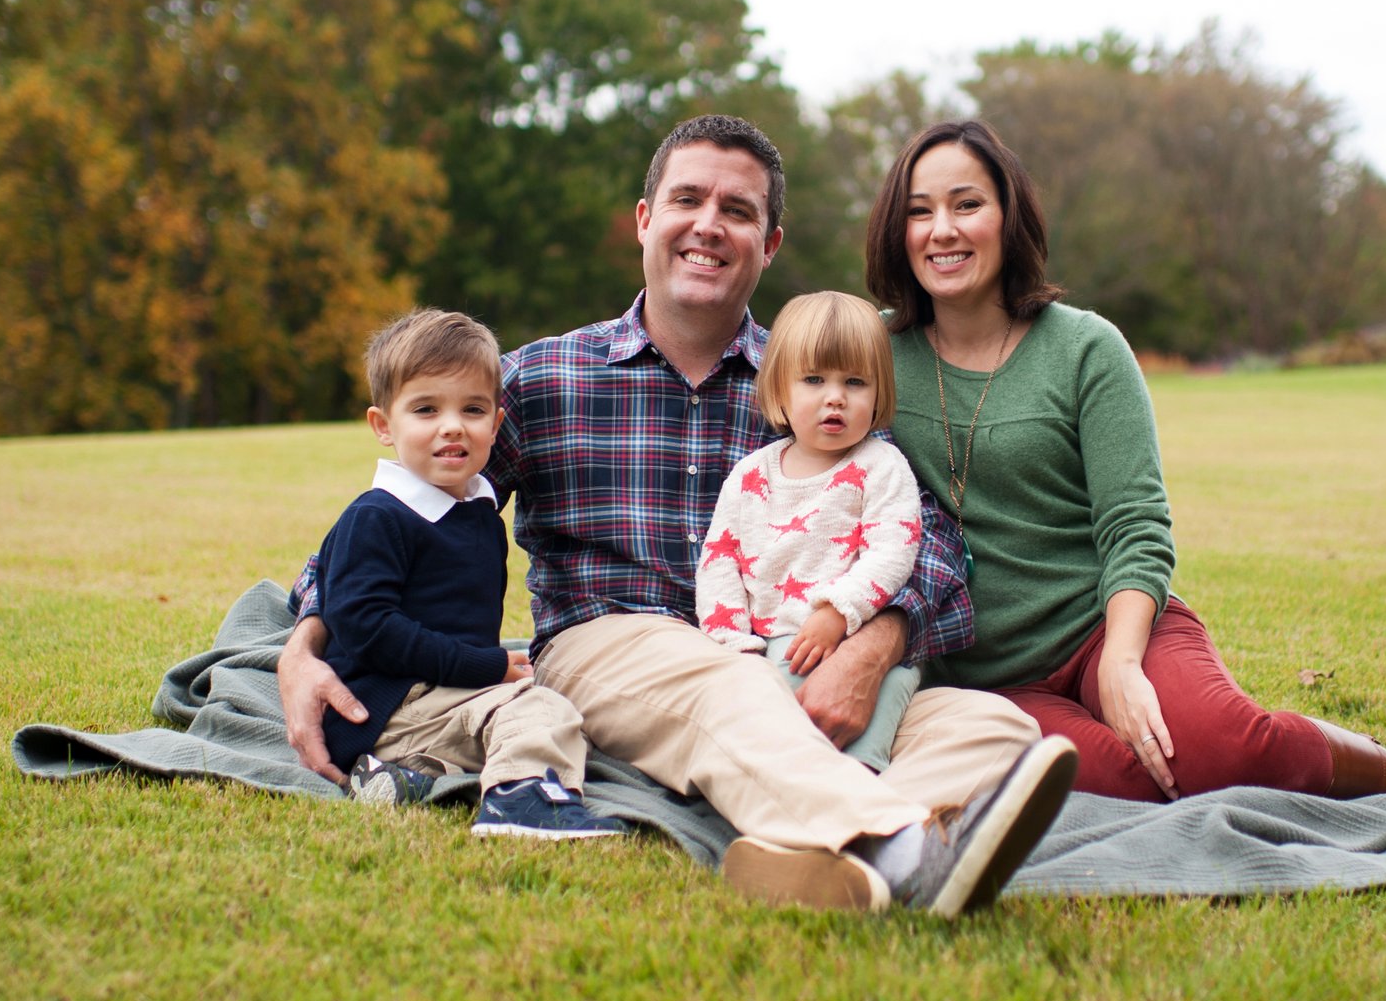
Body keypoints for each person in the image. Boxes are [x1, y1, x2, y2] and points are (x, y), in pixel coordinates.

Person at [279, 114, 1078, 916]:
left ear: (767, 245)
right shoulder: (543, 379)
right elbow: (387, 522)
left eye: (738, 211)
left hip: (785, 649)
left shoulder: (814, 386)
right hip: (611, 644)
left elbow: (931, 543)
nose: (708, 224)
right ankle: (897, 845)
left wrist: (870, 647)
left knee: (991, 728)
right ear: (644, 221)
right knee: (725, 686)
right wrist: (306, 644)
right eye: (688, 199)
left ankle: (802, 854)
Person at [864, 119, 1386, 824]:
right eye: (920, 211)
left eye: (967, 204)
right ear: (898, 230)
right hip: (992, 682)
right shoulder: (872, 360)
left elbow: (1135, 525)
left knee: (1222, 750)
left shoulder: (1085, 349)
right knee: (1131, 784)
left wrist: (1119, 663)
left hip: (1110, 630)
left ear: (1007, 216)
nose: (943, 230)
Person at [311, 308, 623, 840]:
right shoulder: (378, 516)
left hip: (440, 698)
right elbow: (366, 628)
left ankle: (407, 780)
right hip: (385, 705)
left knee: (533, 705)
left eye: (473, 409)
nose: (452, 425)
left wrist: (483, 670)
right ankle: (522, 799)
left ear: (496, 424)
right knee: (541, 707)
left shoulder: (477, 511)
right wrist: (488, 667)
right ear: (383, 426)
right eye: (426, 409)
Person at [696, 290, 925, 771]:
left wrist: (839, 612)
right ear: (779, 391)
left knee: (866, 737)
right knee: (774, 742)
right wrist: (734, 648)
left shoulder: (881, 467)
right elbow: (719, 565)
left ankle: (864, 790)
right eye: (814, 380)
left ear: (880, 393)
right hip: (771, 647)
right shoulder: (752, 476)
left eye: (856, 382)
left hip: (857, 643)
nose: (835, 397)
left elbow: (894, 550)